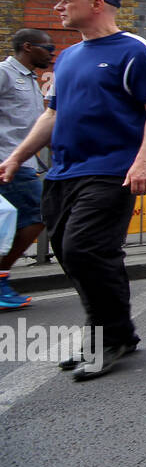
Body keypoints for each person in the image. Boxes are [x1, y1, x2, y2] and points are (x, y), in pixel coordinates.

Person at [0, 0, 146, 380]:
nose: (58, 6)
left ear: (96, 3)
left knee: (83, 250)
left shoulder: (135, 49)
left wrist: (143, 162)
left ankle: (107, 339)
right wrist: (16, 157)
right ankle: (118, 333)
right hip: (63, 173)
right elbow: (52, 115)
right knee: (72, 254)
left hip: (111, 171)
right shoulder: (70, 57)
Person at [0, 29, 57, 309]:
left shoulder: (30, 79)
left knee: (22, 220)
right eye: (48, 46)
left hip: (25, 162)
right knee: (38, 214)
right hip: (9, 161)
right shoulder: (4, 74)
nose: (52, 52)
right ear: (27, 47)